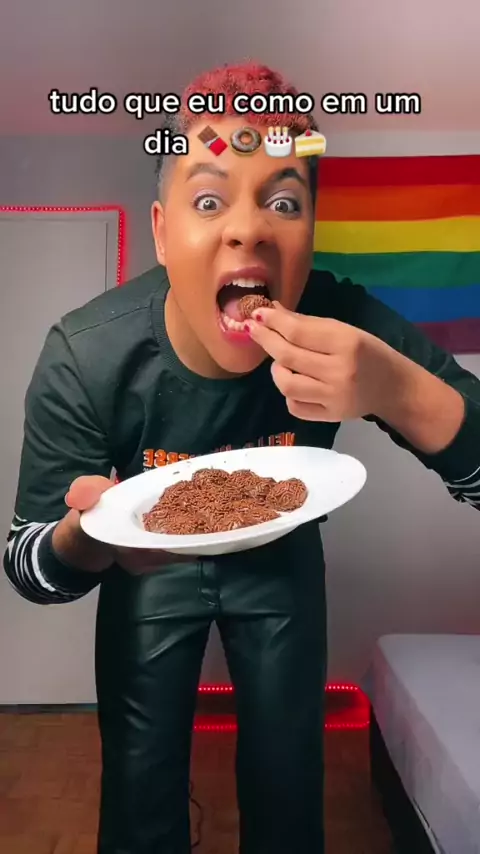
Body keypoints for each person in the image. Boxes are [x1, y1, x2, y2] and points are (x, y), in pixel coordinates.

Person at [4, 61, 480, 854]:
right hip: (145, 561)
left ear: (310, 233)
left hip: (282, 553)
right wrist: (86, 537)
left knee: (289, 779)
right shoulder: (87, 354)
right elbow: (25, 564)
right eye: (209, 200)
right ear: (162, 232)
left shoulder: (343, 322)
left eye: (284, 202)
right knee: (139, 785)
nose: (248, 230)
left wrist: (396, 387)